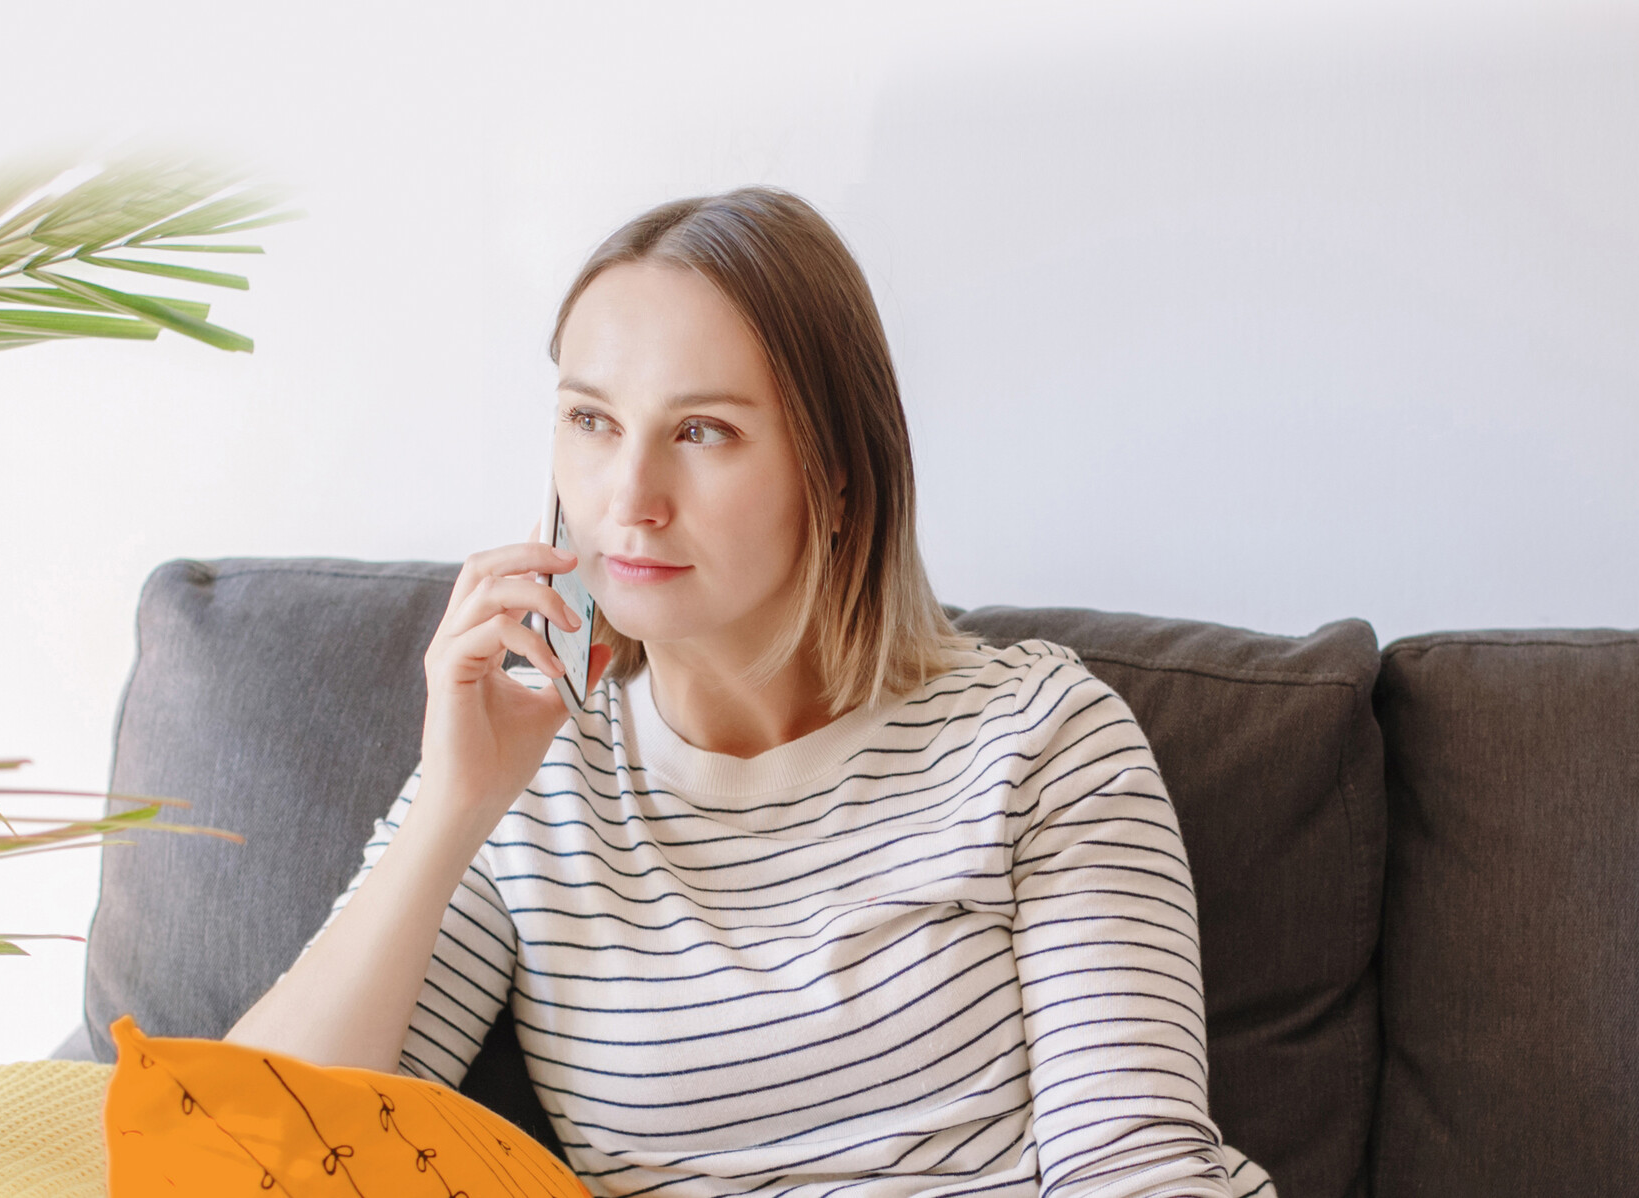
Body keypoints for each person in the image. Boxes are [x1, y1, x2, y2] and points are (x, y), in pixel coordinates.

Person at [227, 188, 1272, 1198]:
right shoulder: (526, 769)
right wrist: (455, 804)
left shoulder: (1038, 736)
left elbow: (1133, 1173)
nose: (626, 499)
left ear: (841, 475)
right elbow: (251, 1150)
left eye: (702, 431)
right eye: (591, 419)